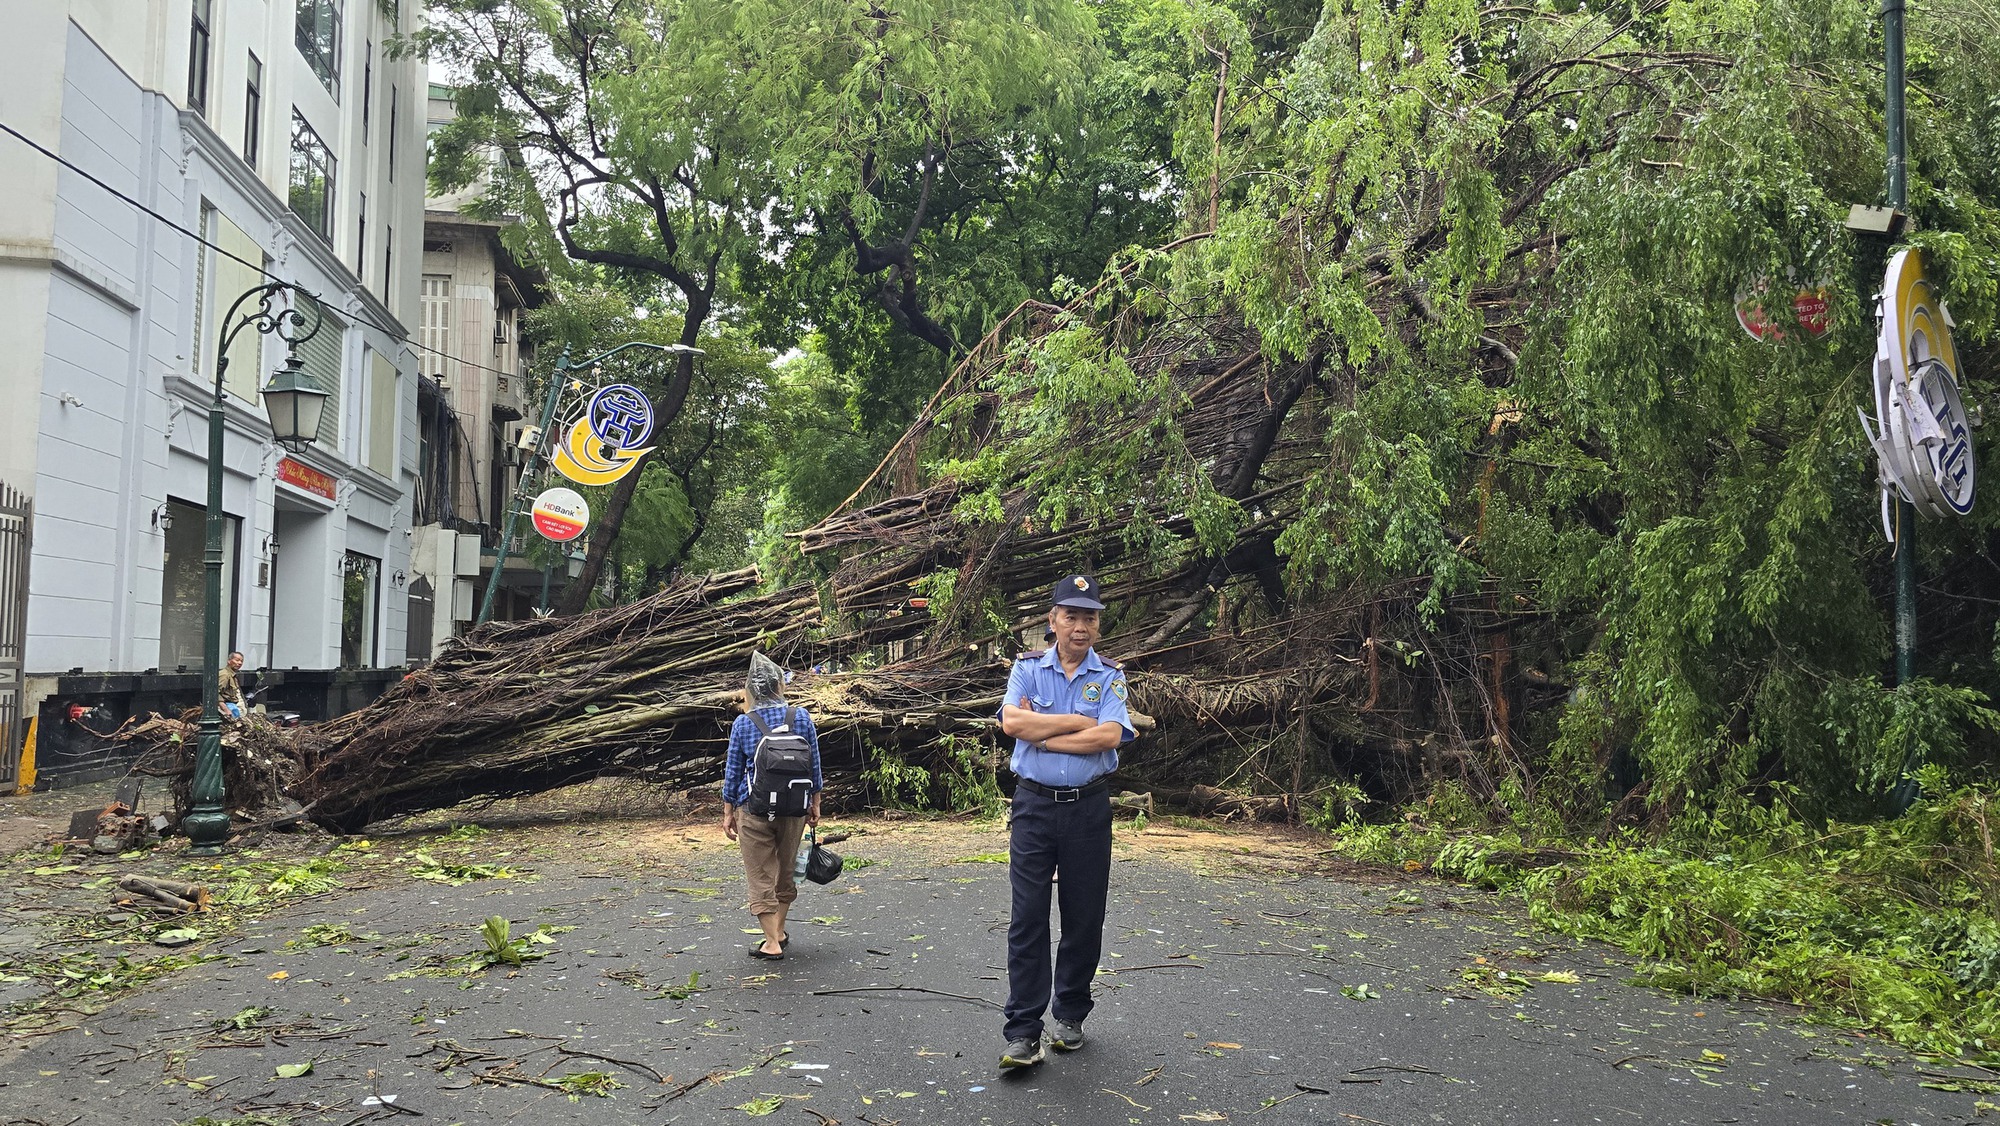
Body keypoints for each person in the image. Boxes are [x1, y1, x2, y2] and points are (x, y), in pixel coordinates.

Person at [994, 574, 1136, 1069]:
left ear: (1098, 624)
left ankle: (1071, 1014)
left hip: (1088, 810)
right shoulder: (1027, 669)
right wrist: (1079, 722)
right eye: (1071, 615)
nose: (1080, 626)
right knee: (1027, 917)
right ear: (1052, 620)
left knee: (1083, 916)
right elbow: (1012, 724)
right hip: (1033, 807)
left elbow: (1110, 738)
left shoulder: (1110, 676)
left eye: (1090, 617)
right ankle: (1023, 1031)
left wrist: (1046, 736)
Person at [721, 652, 824, 961]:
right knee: (786, 871)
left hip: (753, 807)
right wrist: (815, 803)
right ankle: (778, 930)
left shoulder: (743, 723)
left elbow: (733, 770)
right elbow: (814, 766)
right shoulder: (801, 717)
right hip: (795, 808)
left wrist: (727, 812)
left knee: (760, 874)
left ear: (750, 690)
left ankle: (772, 942)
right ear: (780, 685)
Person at [218, 651, 246, 720]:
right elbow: (215, 692)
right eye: (237, 660)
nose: (239, 663)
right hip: (228, 709)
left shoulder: (233, 675)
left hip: (235, 708)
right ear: (229, 661)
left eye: (241, 661)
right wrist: (225, 709)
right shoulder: (225, 675)